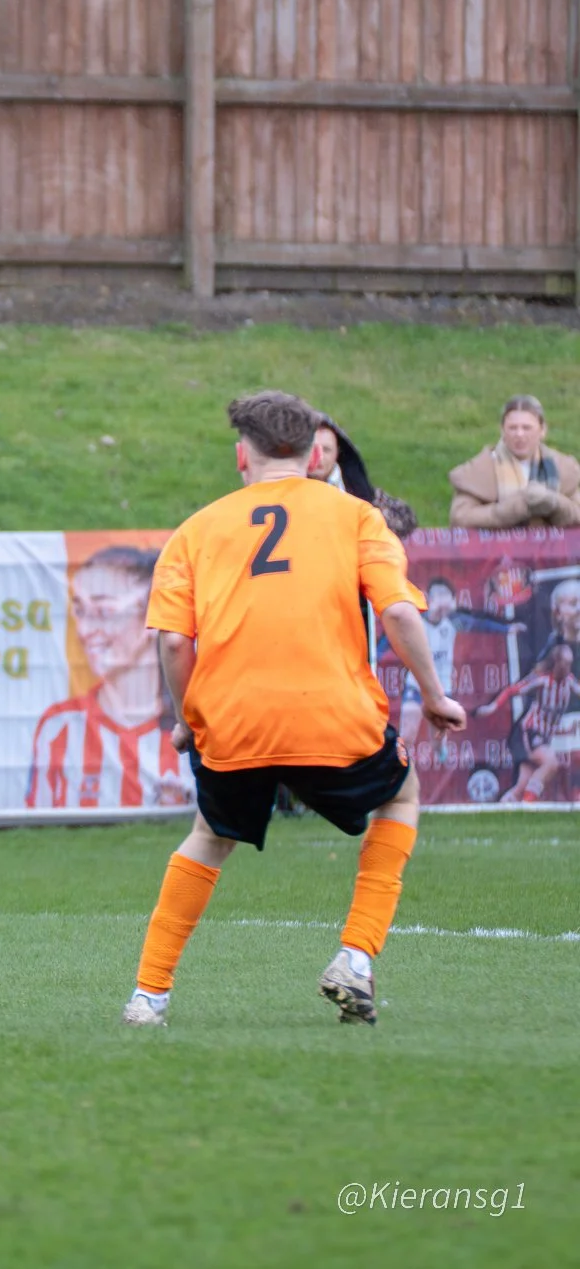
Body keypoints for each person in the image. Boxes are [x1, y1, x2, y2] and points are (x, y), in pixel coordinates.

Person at [121, 391, 466, 1029]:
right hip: (335, 716)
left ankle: (149, 996)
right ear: (313, 456)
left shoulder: (196, 530)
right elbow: (396, 612)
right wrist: (436, 693)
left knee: (208, 836)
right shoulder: (359, 517)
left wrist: (186, 721)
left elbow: (174, 642)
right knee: (401, 796)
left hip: (233, 720)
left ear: (240, 456)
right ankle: (356, 958)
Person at [28, 545, 193, 812]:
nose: (85, 630)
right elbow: (36, 835)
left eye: (103, 612)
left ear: (152, 618)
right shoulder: (59, 727)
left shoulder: (194, 725)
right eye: (80, 611)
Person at [379, 577, 522, 760]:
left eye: (445, 595)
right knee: (407, 734)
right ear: (428, 598)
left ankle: (440, 749)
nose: (441, 600)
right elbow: (388, 638)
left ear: (452, 600)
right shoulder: (414, 621)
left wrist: (507, 629)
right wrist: (373, 656)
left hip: (441, 689)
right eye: (437, 594)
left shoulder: (455, 621)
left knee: (437, 738)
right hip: (416, 685)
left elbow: (480, 623)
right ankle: (397, 771)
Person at [448, 396, 580, 529]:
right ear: (502, 431)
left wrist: (555, 503)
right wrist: (517, 507)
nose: (519, 434)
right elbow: (461, 518)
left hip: (556, 549)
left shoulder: (563, 468)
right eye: (512, 428)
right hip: (497, 549)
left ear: (542, 430)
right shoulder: (481, 469)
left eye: (527, 428)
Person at [475, 642, 578, 803]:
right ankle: (528, 805)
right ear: (556, 662)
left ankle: (503, 810)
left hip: (541, 736)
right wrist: (491, 707)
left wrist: (565, 731)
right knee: (551, 763)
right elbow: (511, 690)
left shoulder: (569, 681)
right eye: (565, 663)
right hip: (527, 732)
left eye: (570, 664)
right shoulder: (542, 680)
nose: (568, 667)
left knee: (521, 787)